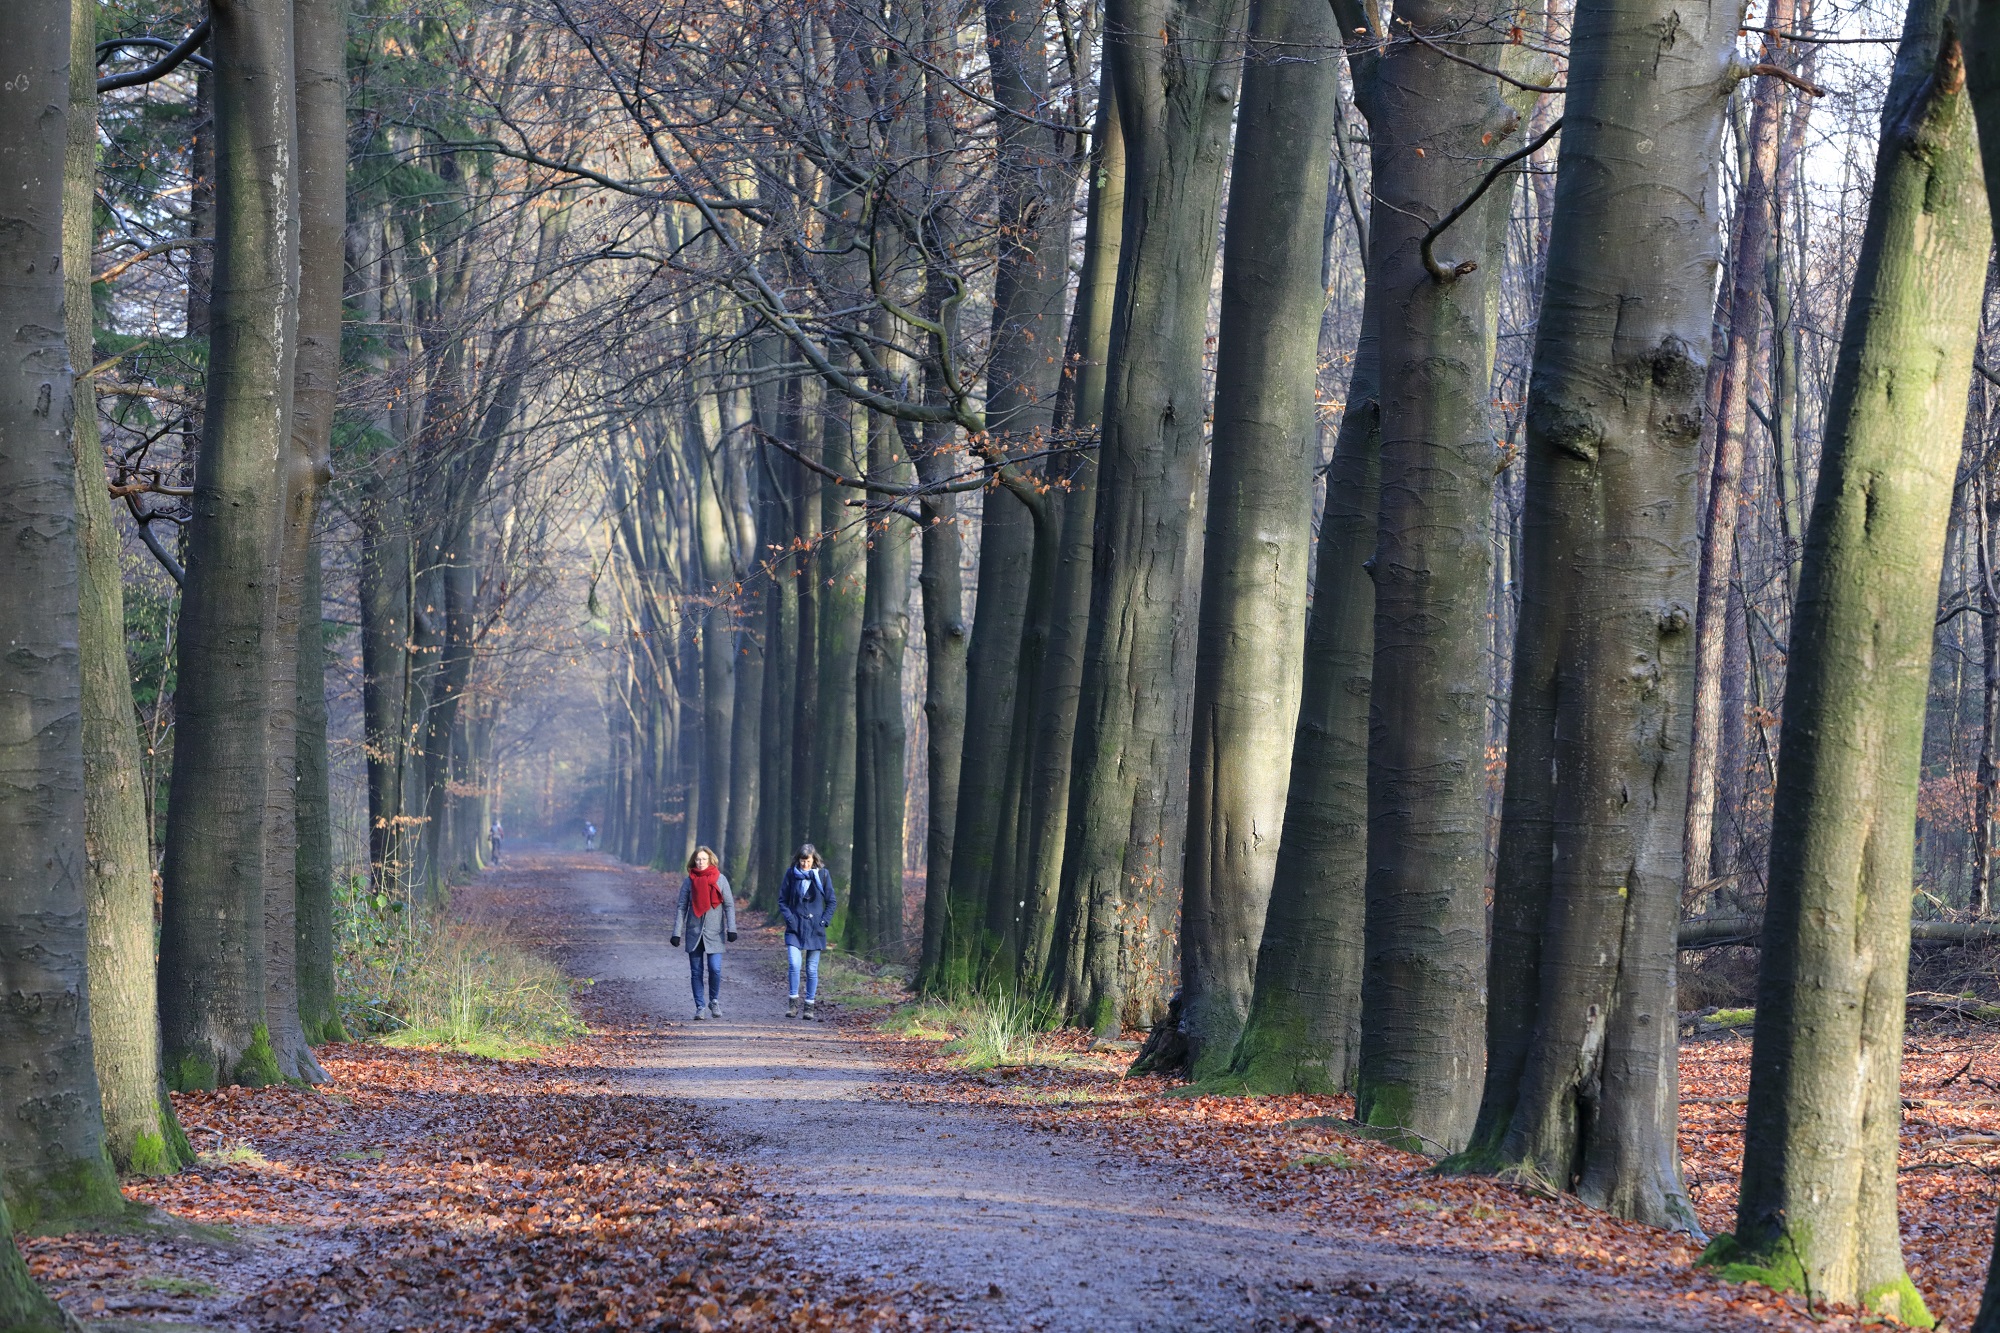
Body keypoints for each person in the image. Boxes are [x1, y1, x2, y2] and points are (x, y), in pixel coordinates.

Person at [670, 846, 737, 1021]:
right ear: (694, 861)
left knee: (715, 969)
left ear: (710, 860)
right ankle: (700, 1006)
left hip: (715, 933)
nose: (701, 863)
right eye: (698, 859)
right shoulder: (688, 882)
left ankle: (714, 1001)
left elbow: (729, 906)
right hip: (694, 933)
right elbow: (681, 907)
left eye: (704, 859)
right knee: (696, 971)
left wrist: (732, 929)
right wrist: (676, 932)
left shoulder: (720, 880)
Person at [779, 843, 835, 1020]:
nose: (805, 865)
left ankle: (809, 1006)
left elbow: (831, 901)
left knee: (811, 969)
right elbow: (782, 900)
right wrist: (790, 918)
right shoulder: (791, 874)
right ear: (798, 860)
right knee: (794, 964)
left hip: (815, 929)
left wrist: (824, 920)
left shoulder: (823, 875)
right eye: (802, 861)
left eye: (808, 861)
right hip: (794, 928)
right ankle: (793, 1004)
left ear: (814, 860)